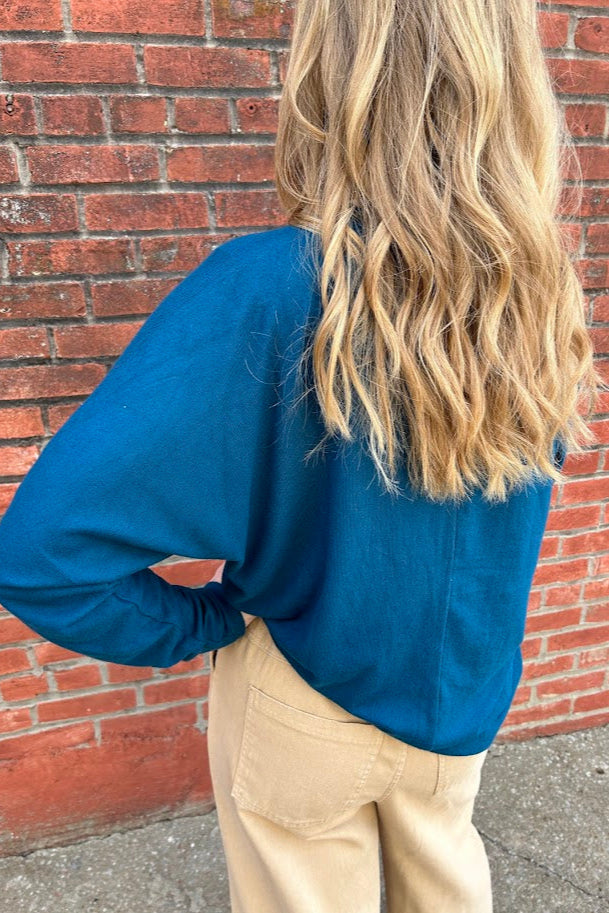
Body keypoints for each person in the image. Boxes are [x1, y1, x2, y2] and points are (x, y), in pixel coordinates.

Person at [0, 0, 603, 911]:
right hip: (459, 707)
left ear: (327, 73)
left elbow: (41, 557)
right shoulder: (537, 292)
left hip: (303, 696)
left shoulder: (271, 288)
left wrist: (203, 622)